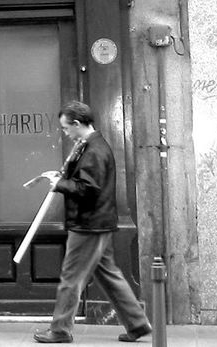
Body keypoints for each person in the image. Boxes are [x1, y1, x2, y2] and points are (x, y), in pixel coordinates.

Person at [33, 101, 153, 344]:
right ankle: (137, 324)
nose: (65, 132)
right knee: (108, 274)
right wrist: (62, 178)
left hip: (88, 224)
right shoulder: (92, 146)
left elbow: (89, 188)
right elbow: (87, 182)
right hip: (97, 222)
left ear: (77, 124)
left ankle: (60, 330)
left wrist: (60, 185)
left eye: (66, 128)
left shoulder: (93, 150)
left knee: (71, 277)